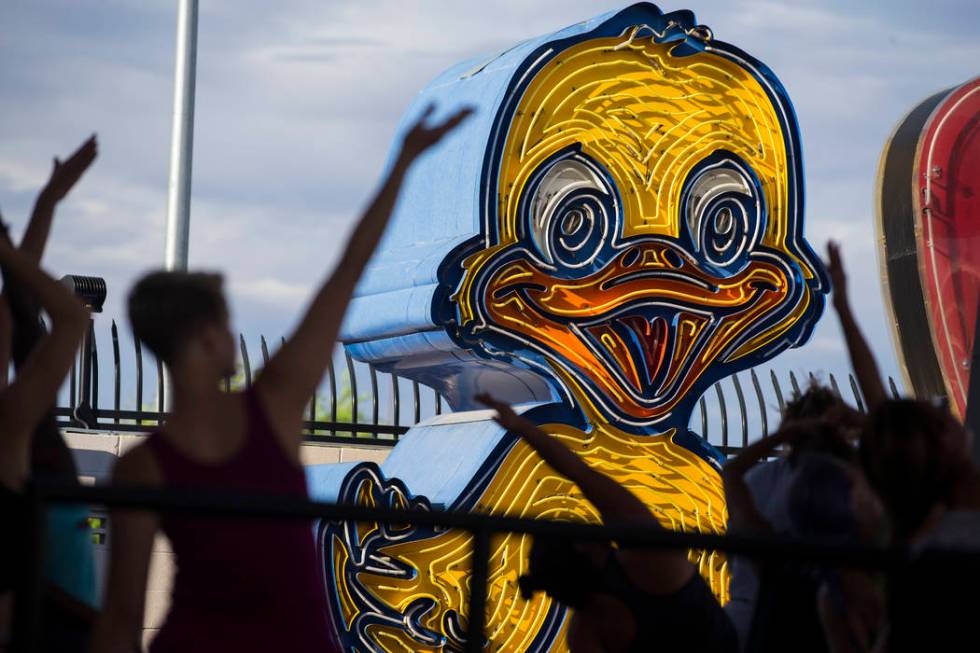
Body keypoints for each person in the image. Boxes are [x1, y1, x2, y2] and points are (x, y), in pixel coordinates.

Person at [91, 104, 472, 653]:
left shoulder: (141, 466)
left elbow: (120, 617)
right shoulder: (272, 404)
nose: (232, 334)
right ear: (205, 336)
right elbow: (348, 268)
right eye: (225, 321)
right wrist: (403, 164)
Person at [475, 392, 737, 653]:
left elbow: (582, 476)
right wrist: (524, 428)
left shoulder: (584, 629)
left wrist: (523, 428)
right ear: (586, 547)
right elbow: (583, 475)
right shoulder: (650, 561)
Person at [1, 135, 101, 652]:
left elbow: (19, 300)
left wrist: (48, 201)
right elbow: (63, 314)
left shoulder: (18, 413)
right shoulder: (12, 421)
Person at [723, 385, 862, 650]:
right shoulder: (847, 588)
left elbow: (732, 472)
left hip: (755, 619)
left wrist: (784, 434)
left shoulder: (773, 564)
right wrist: (859, 426)